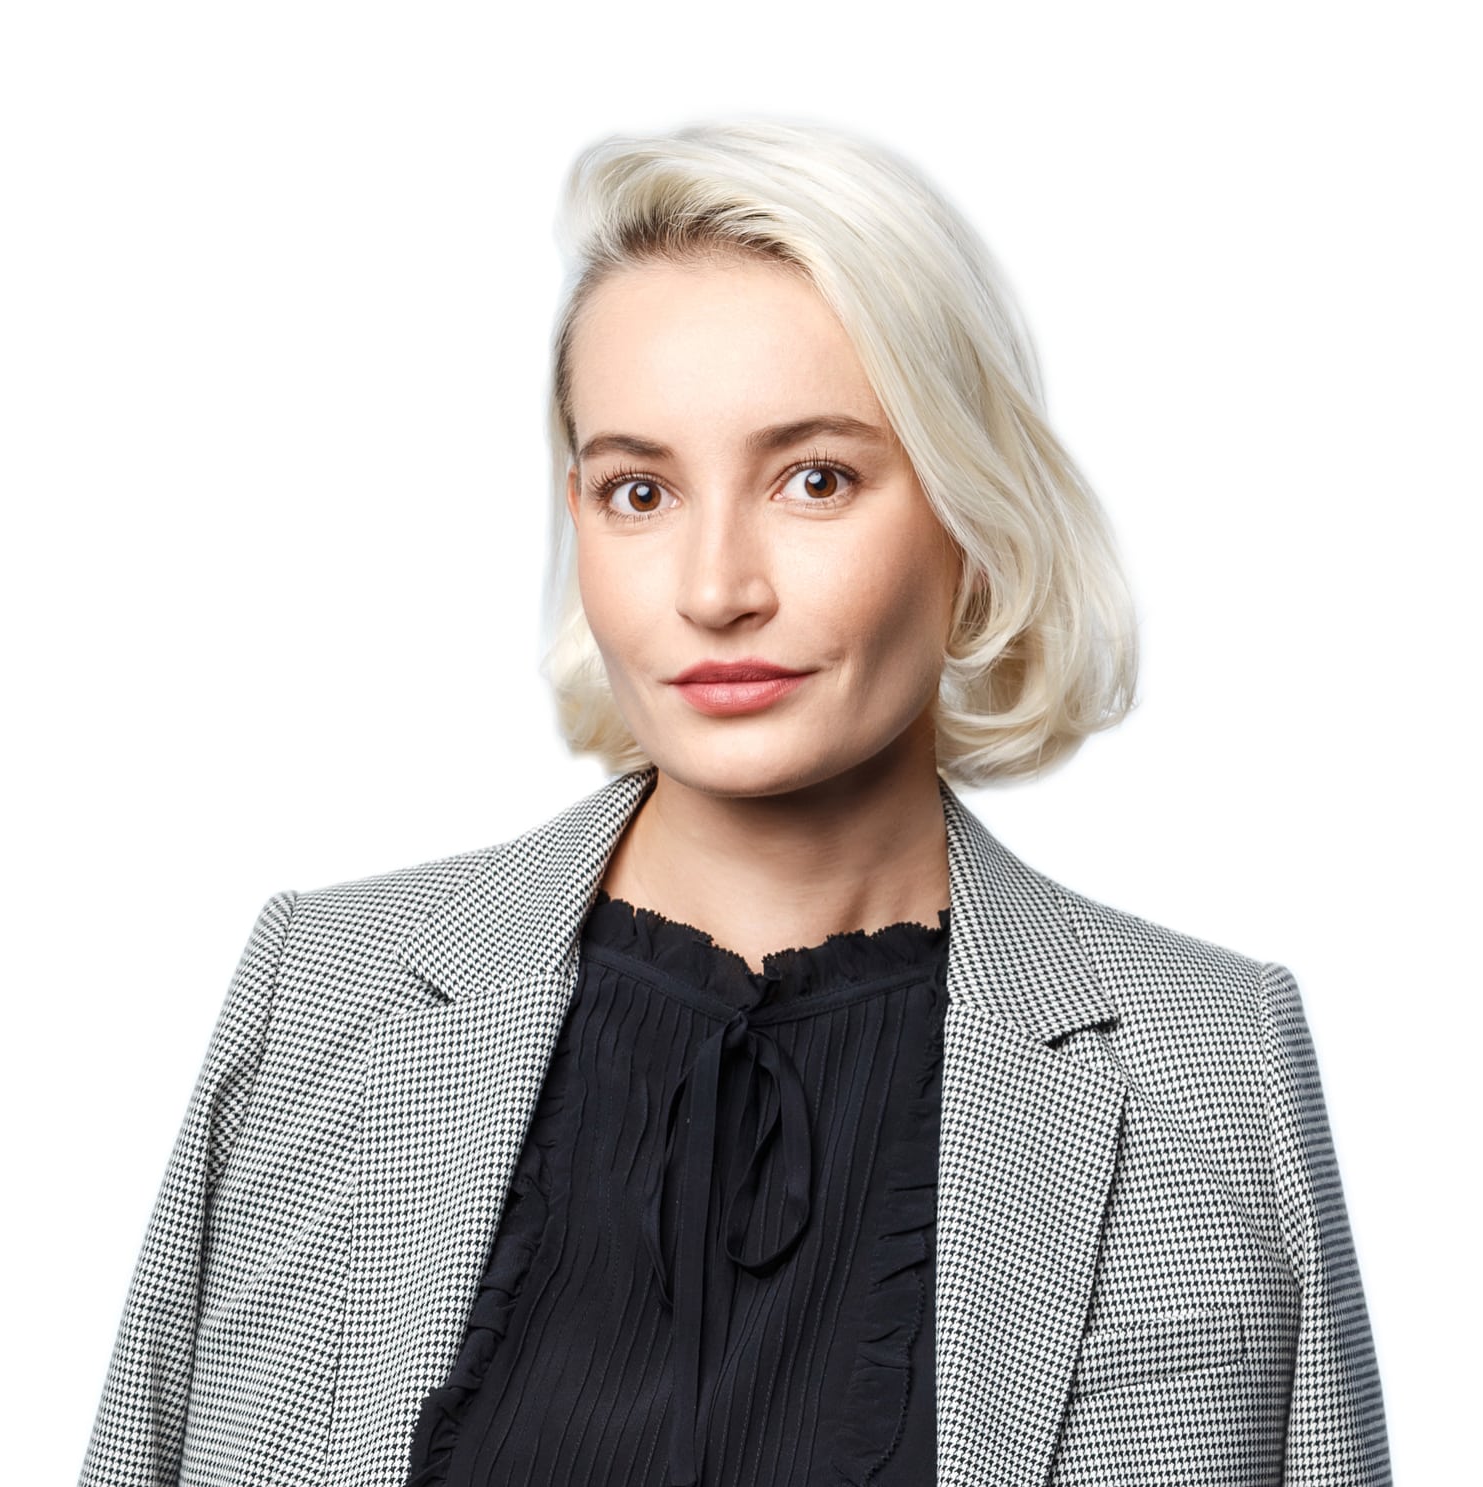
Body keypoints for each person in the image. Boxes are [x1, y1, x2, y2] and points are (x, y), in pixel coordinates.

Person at [78, 119, 1391, 1487]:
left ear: (972, 514)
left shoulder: (1212, 1071)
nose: (715, 588)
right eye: (639, 490)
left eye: (816, 479)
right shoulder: (322, 1000)